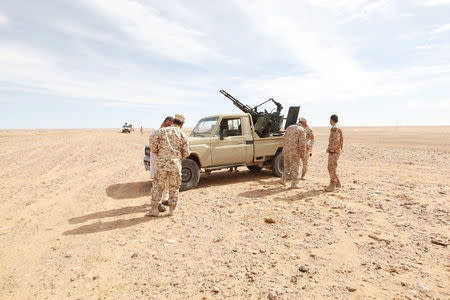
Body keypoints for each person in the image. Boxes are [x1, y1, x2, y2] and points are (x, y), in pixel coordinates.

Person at [147, 114, 190, 217]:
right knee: (174, 187)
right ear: (182, 124)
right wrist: (177, 157)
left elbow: (152, 146)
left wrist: (160, 154)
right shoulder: (182, 134)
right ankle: (172, 211)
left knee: (158, 186)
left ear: (173, 121)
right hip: (175, 164)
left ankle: (154, 210)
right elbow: (187, 152)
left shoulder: (161, 131)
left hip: (161, 164)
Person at [280, 119, 306, 189]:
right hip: (294, 152)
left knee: (287, 166)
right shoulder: (301, 130)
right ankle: (294, 184)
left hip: (286, 150)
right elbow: (302, 144)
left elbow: (284, 138)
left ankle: (283, 179)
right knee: (295, 168)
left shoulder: (289, 127)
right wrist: (302, 153)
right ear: (303, 123)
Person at [325, 114, 343, 192]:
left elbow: (336, 140)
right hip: (336, 150)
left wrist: (331, 149)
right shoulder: (337, 128)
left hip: (334, 151)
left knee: (330, 167)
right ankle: (337, 184)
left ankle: (332, 186)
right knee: (333, 167)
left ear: (331, 120)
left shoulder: (334, 128)